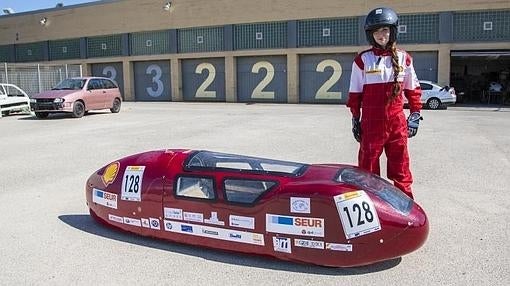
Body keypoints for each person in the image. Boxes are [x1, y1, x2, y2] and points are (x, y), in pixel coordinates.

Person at [347, 7, 423, 199]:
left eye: (385, 30)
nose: (381, 35)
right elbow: (355, 94)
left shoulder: (404, 58)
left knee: (401, 166)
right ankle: (372, 205)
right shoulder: (362, 60)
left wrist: (415, 114)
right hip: (371, 124)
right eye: (377, 31)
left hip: (397, 122)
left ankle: (405, 205)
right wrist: (356, 118)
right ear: (370, 34)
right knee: (368, 169)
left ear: (393, 31)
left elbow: (413, 89)